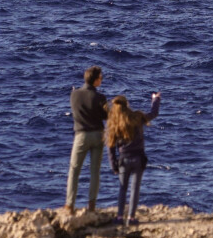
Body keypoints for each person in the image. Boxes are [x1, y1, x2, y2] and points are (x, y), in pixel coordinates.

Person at [106, 92, 161, 225]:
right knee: (135, 188)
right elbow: (153, 113)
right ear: (127, 105)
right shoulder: (137, 117)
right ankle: (131, 218)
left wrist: (113, 165)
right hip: (138, 159)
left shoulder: (114, 123)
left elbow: (111, 148)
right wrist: (155, 100)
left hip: (123, 160)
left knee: (122, 188)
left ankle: (119, 217)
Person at [65, 65, 107, 215]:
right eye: (100, 78)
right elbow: (105, 117)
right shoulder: (100, 98)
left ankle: (70, 205)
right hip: (97, 135)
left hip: (81, 135)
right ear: (95, 80)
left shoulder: (74, 95)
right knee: (95, 171)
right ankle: (92, 205)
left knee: (74, 170)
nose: (101, 80)